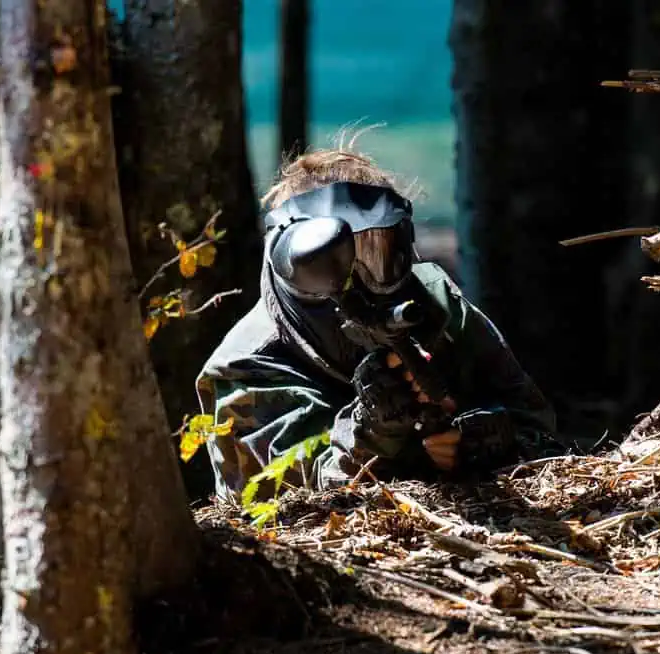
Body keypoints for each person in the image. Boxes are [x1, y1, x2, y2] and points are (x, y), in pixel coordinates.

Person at [194, 142, 557, 502]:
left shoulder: (434, 307)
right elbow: (273, 498)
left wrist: (484, 439)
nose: (367, 282)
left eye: (378, 252)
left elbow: (537, 427)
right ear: (300, 263)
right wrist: (370, 435)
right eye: (338, 262)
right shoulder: (248, 365)